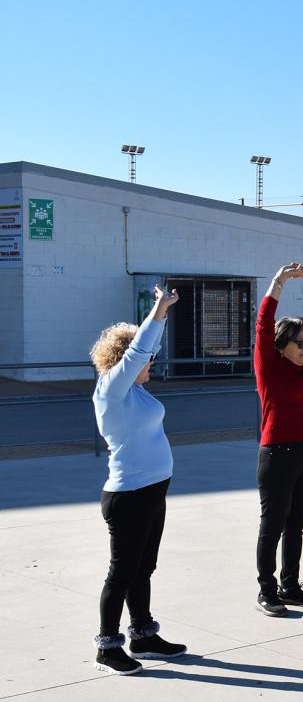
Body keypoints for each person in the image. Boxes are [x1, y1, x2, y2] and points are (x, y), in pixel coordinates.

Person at [90, 286, 188, 675]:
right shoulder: (112, 391)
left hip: (152, 491)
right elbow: (138, 351)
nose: (152, 364)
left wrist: (159, 320)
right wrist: (158, 311)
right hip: (127, 495)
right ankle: (107, 646)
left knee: (143, 568)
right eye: (148, 360)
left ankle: (143, 636)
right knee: (122, 571)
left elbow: (142, 353)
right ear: (126, 360)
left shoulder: (138, 393)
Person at [253, 262, 303, 616]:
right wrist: (278, 281)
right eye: (299, 343)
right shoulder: (268, 366)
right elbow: (264, 323)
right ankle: (267, 591)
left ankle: (290, 585)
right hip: (277, 454)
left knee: (296, 523)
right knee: (273, 525)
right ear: (281, 346)